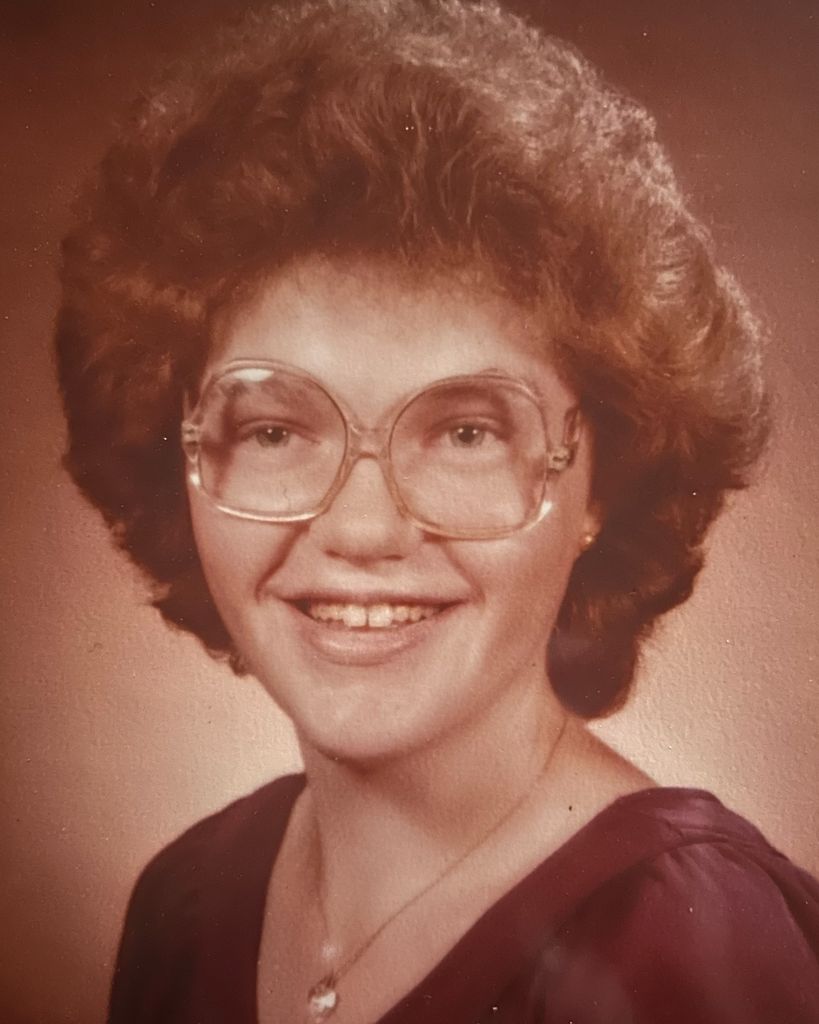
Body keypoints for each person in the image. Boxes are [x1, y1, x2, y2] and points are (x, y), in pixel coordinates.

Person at [54, 1, 819, 1021]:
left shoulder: (679, 946)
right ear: (182, 458)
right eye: (276, 429)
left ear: (602, 483)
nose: (363, 530)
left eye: (465, 432)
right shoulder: (186, 901)